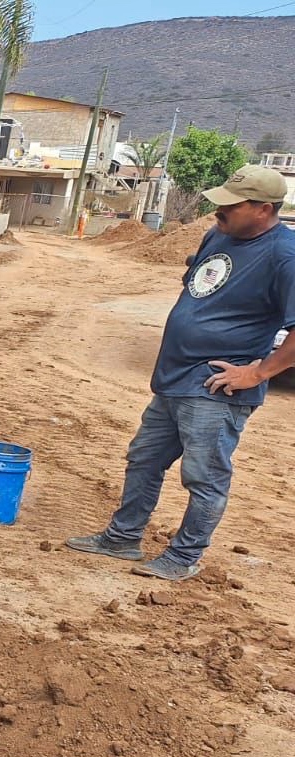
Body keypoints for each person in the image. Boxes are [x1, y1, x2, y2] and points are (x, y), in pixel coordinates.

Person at [66, 165, 295, 580]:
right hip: (173, 378)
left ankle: (183, 557)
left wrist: (258, 373)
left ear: (263, 209)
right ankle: (122, 538)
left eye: (231, 204)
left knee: (203, 477)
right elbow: (199, 287)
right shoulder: (219, 236)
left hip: (214, 387)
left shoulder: (285, 254)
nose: (218, 210)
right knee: (144, 459)